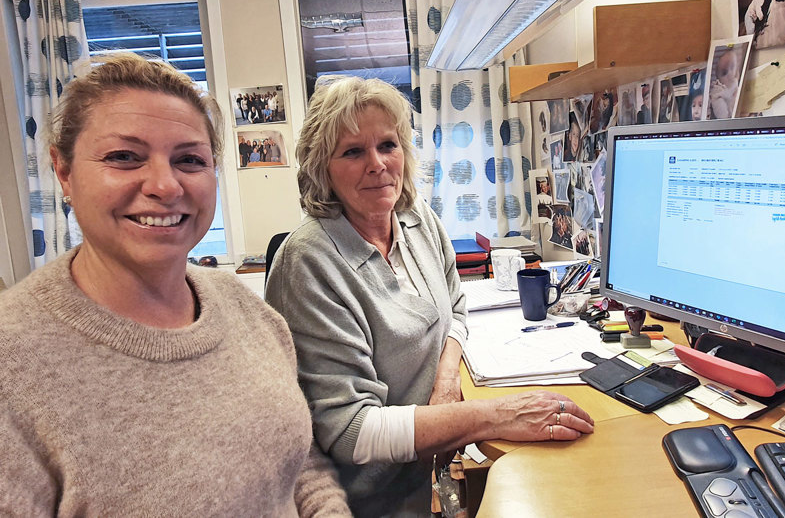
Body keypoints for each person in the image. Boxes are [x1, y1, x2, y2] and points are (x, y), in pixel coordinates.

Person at [0, 53, 350, 515]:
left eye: (189, 159)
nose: (165, 185)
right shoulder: (13, 364)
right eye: (124, 157)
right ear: (63, 171)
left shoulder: (251, 315)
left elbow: (299, 461)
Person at [264, 76, 594, 516]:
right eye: (352, 151)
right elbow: (351, 432)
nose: (378, 164)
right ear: (322, 168)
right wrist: (495, 416)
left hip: (418, 479)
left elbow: (456, 306)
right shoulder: (307, 264)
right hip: (358, 501)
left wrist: (446, 381)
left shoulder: (416, 217)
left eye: (388, 145)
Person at [709, 48, 741, 120]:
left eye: (732, 67)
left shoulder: (735, 82)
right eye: (724, 72)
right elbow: (723, 117)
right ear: (718, 78)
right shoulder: (717, 93)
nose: (730, 74)